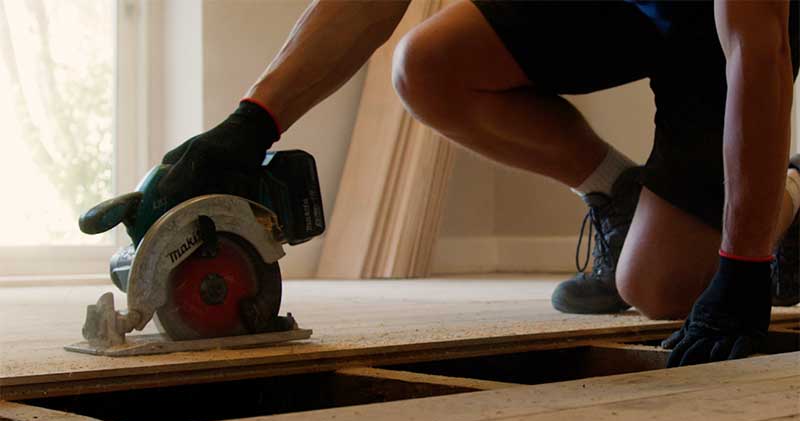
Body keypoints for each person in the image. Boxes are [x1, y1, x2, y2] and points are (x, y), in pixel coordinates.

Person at [158, 0, 800, 367]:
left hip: (734, 25)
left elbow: (759, 47)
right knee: (428, 65)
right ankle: (620, 197)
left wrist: (744, 266)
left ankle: (789, 199)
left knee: (659, 287)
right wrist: (251, 123)